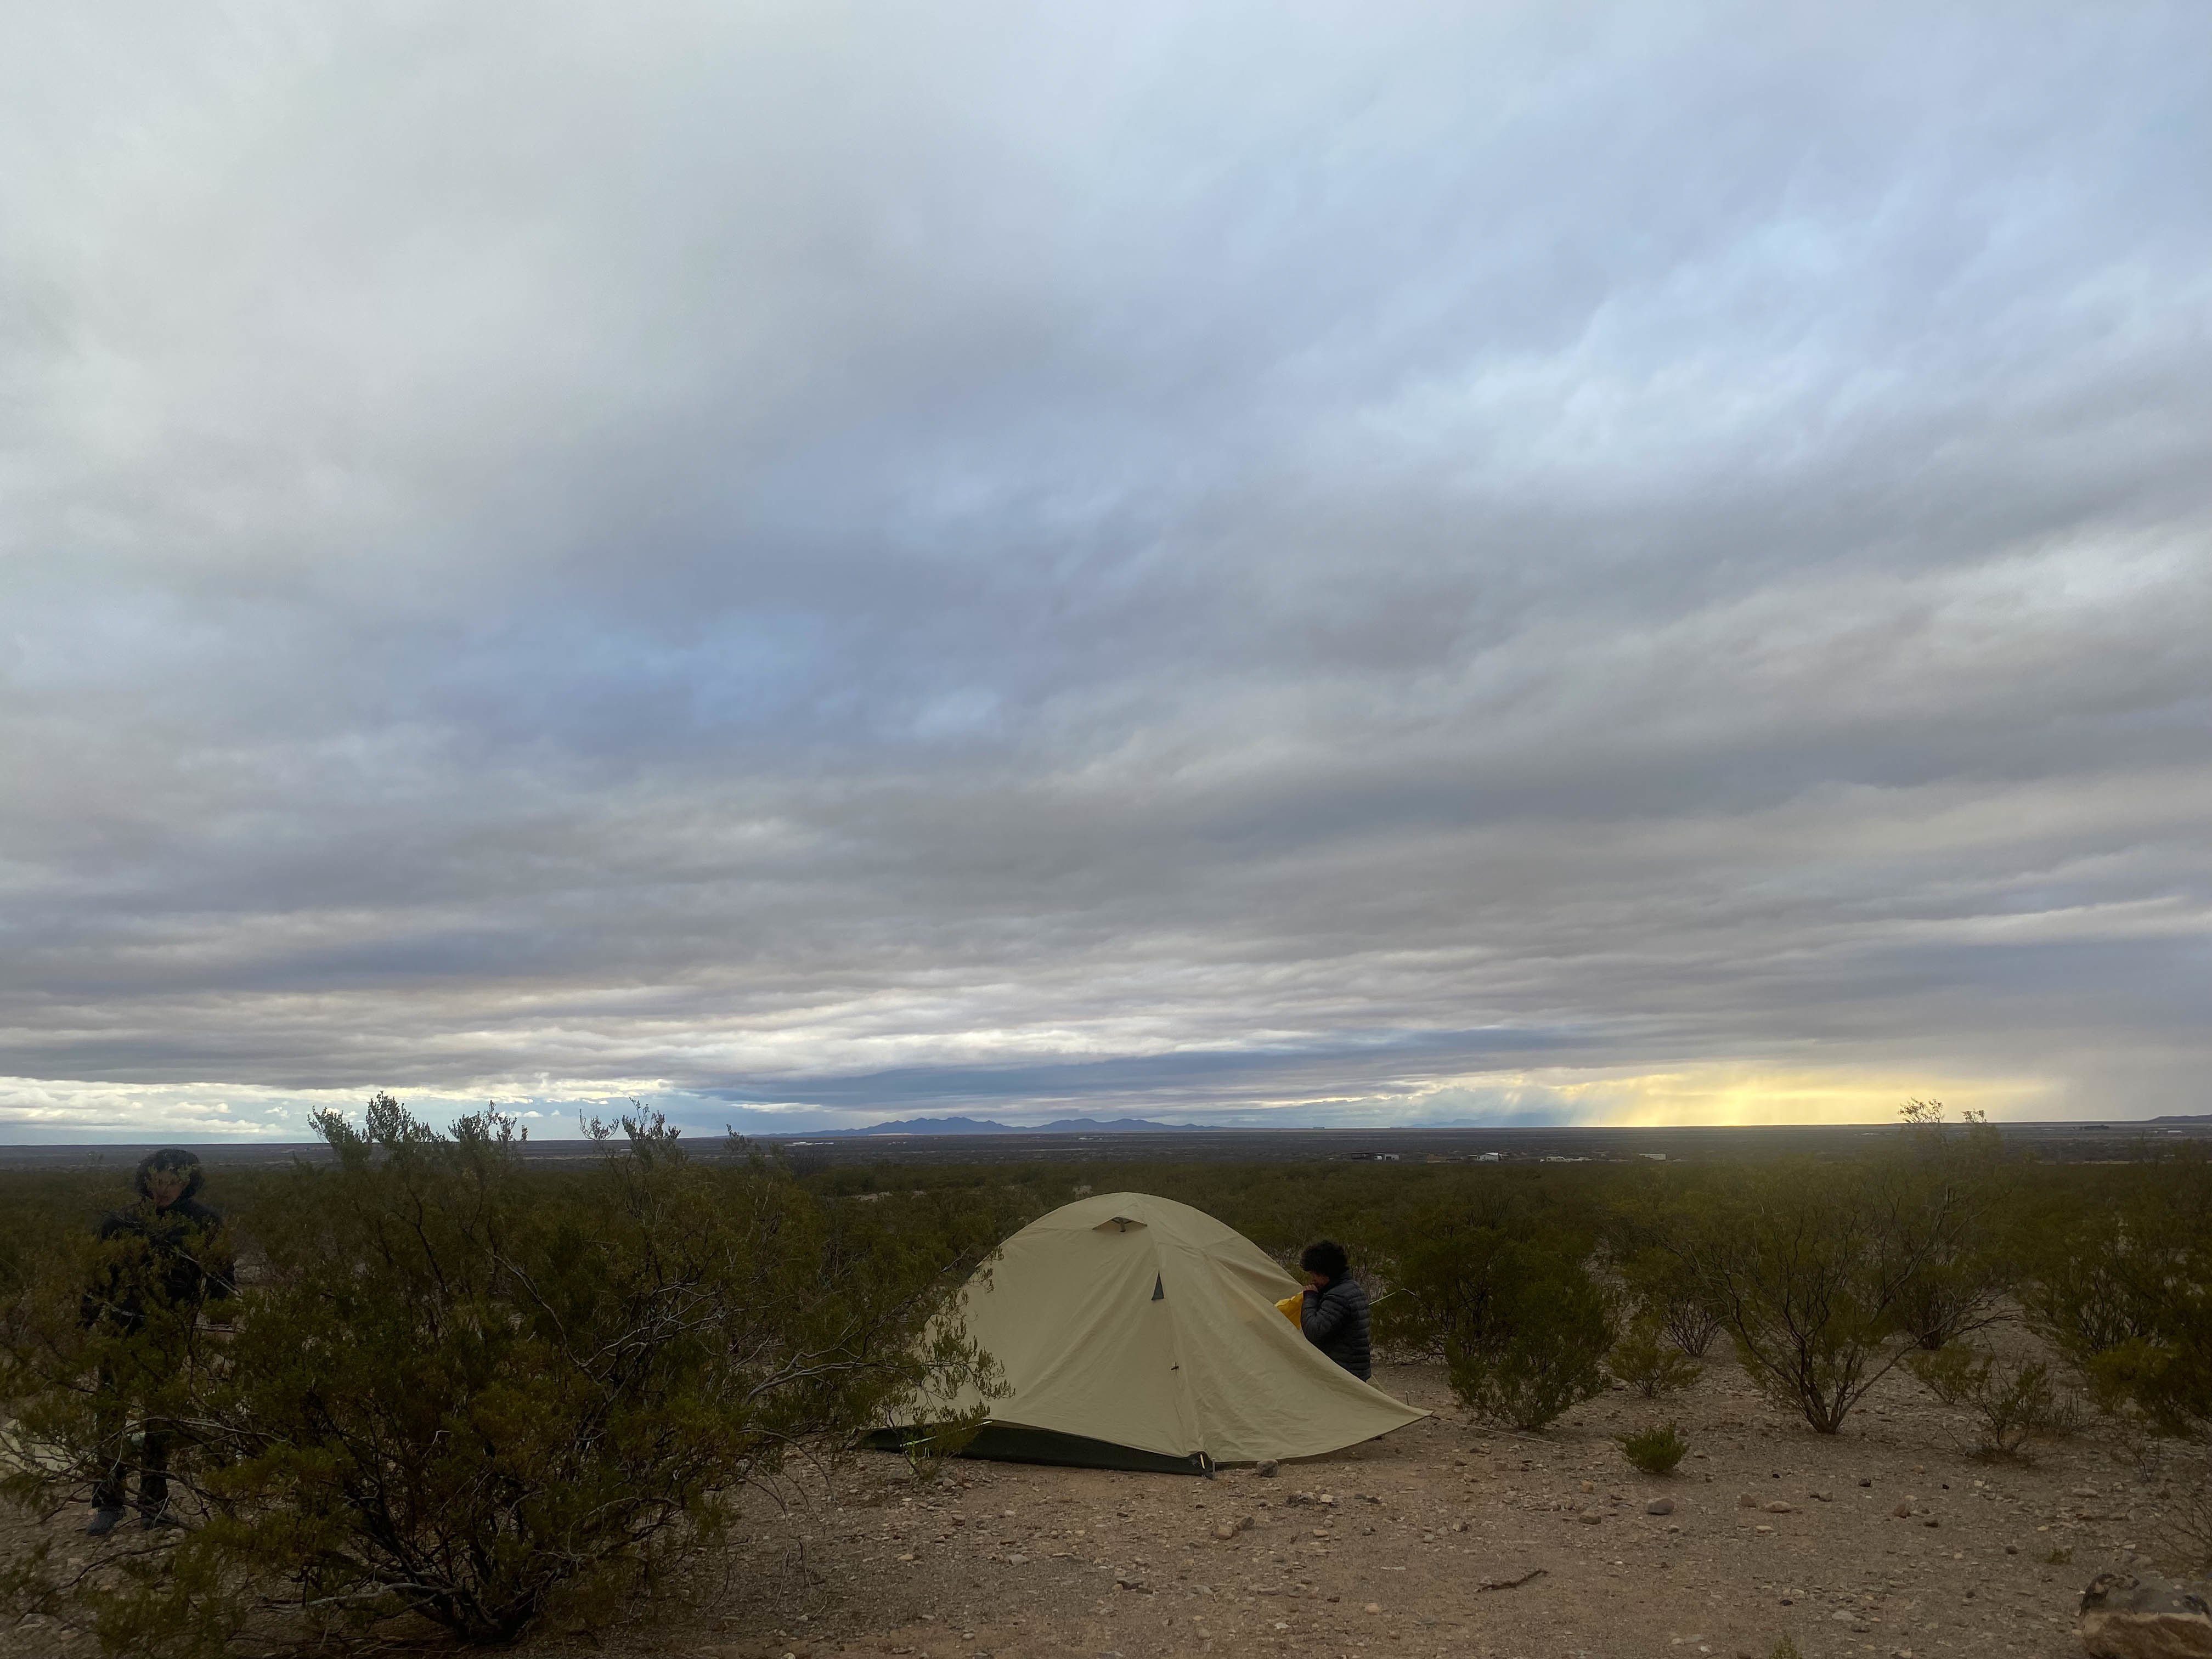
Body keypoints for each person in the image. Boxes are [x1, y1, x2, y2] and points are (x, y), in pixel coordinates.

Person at [81, 1148, 235, 1536]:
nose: (164, 1189)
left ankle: (154, 1502)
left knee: (159, 1418)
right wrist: (83, 1323)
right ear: (145, 1180)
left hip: (168, 1331)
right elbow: (97, 1277)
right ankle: (109, 1502)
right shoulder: (120, 1220)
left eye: (173, 1181)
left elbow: (220, 1277)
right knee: (110, 1416)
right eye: (157, 1180)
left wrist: (221, 1325)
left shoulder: (204, 1222)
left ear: (188, 1182)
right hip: (119, 1328)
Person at [1297, 1239, 1372, 1380]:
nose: (1312, 1279)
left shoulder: (1337, 1297)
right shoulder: (1353, 1287)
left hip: (1343, 1373)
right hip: (1355, 1369)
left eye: (1314, 1274)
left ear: (1324, 1273)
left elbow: (1314, 1331)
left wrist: (1310, 1298)